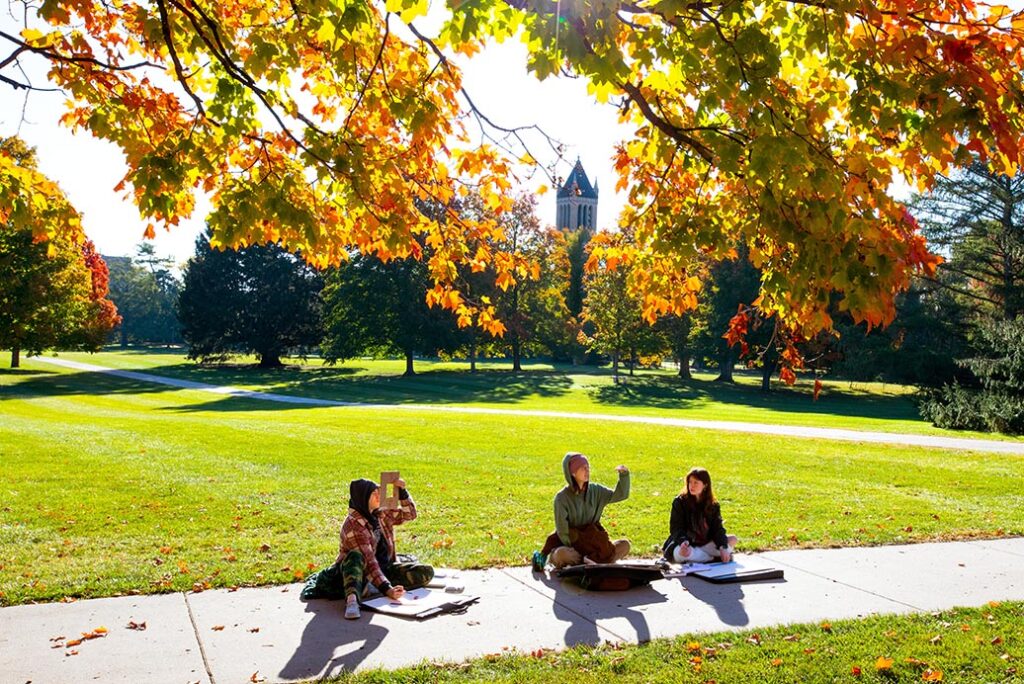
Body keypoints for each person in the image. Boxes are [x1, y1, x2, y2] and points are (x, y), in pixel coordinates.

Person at [337, 477, 433, 619]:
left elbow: (410, 515)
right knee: (355, 557)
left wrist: (402, 493)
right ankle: (353, 600)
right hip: (356, 574)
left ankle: (375, 587)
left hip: (383, 569)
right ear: (363, 498)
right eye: (373, 494)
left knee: (425, 572)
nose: (378, 496)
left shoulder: (380, 513)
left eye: (378, 492)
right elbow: (370, 563)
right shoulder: (353, 526)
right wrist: (388, 590)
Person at [534, 451, 631, 570]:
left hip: (593, 544)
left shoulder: (596, 491)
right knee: (561, 555)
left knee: (624, 545)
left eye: (588, 467)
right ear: (573, 472)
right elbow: (562, 531)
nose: (587, 470)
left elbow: (620, 495)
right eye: (583, 468)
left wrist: (624, 475)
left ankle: (590, 561)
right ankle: (593, 561)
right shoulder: (561, 498)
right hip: (573, 545)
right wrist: (580, 546)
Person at [662, 467, 738, 564]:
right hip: (686, 544)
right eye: (690, 482)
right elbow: (676, 528)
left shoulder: (713, 505)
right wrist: (683, 542)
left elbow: (717, 529)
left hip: (705, 543)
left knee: (732, 539)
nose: (691, 486)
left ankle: (701, 556)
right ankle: (712, 559)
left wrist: (722, 547)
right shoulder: (680, 502)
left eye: (696, 483)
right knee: (681, 553)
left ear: (705, 485)